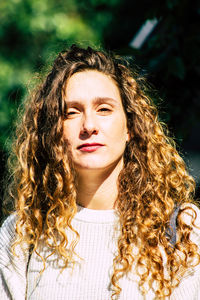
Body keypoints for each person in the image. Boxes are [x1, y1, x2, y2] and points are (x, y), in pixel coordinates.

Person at [0, 44, 200, 300]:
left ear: (130, 127)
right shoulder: (22, 234)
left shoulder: (181, 229)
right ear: (52, 132)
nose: (89, 125)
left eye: (104, 109)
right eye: (71, 113)